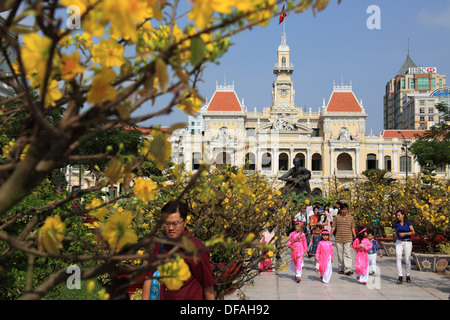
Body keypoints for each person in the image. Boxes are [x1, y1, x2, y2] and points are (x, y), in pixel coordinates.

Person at [142, 200, 216, 300]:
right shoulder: (160, 245)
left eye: (175, 223)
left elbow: (208, 285)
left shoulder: (197, 249)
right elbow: (149, 277)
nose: (170, 228)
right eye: (167, 223)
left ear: (185, 222)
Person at [330, 203, 356, 275]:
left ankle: (348, 269)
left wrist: (355, 237)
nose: (344, 211)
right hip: (339, 238)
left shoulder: (351, 218)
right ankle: (341, 268)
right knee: (340, 254)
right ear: (340, 210)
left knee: (347, 254)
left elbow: (353, 228)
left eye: (345, 209)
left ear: (347, 210)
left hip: (348, 238)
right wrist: (329, 235)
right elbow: (333, 227)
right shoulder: (337, 218)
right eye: (343, 209)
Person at [394, 208, 415, 284]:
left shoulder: (408, 223)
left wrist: (405, 234)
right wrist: (395, 233)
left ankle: (408, 275)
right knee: (398, 257)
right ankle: (400, 276)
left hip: (407, 242)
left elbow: (413, 232)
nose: (398, 217)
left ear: (403, 215)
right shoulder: (396, 224)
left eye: (399, 215)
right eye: (397, 215)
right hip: (399, 242)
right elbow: (396, 231)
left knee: (407, 259)